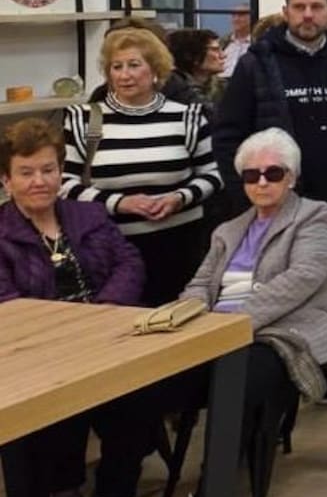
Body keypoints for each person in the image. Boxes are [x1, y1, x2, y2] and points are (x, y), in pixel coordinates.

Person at [61, 128, 327, 497]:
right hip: (215, 332)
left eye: (273, 173)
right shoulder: (229, 230)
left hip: (282, 334)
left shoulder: (314, 216)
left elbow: (301, 280)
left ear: (291, 176)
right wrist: (189, 316)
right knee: (136, 382)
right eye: (252, 174)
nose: (262, 182)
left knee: (235, 384)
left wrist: (228, 324)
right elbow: (199, 284)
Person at [215, 0, 327, 407]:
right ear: (286, 11)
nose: (308, 15)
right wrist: (245, 195)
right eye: (300, 7)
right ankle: (282, 379)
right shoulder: (256, 63)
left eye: (317, 6)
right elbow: (229, 133)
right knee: (280, 289)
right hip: (280, 204)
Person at [0, 118, 146, 497]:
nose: (39, 181)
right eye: (26, 172)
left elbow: (129, 263)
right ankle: (64, 494)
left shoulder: (89, 215)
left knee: (138, 393)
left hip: (107, 337)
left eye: (48, 170)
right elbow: (7, 301)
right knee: (58, 400)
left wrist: (104, 312)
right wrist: (68, 334)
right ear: (6, 180)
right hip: (38, 351)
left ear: (61, 172)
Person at [60, 28, 221, 306]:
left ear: (155, 69)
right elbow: (65, 185)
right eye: (117, 67)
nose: (125, 75)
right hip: (111, 248)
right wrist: (119, 203)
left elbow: (213, 175)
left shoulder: (188, 116)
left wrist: (179, 198)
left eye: (134, 65)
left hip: (181, 246)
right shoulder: (82, 119)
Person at [166, 28, 225, 116]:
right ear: (192, 55)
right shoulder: (172, 89)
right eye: (215, 49)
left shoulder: (225, 88)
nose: (223, 55)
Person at [220, 5, 252, 77]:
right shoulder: (223, 42)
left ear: (252, 17)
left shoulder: (257, 42)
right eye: (233, 15)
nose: (236, 19)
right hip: (220, 81)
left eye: (241, 15)